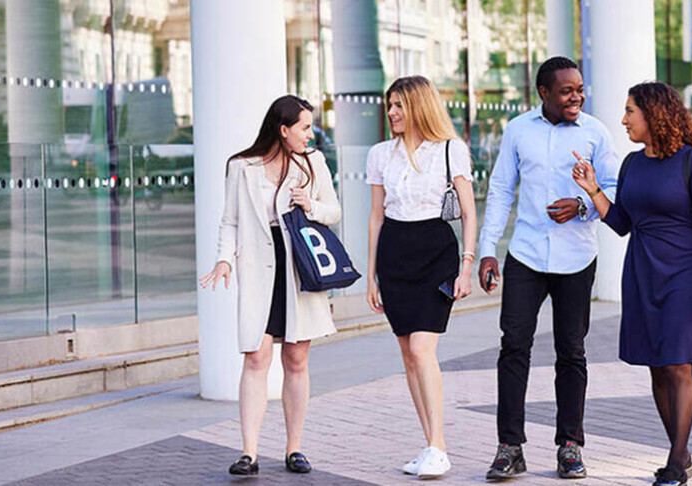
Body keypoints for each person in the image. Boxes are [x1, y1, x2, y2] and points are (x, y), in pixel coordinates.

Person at [572, 81, 692, 486]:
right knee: (657, 367)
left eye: (630, 111)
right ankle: (681, 453)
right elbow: (622, 223)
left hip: (685, 275)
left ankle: (675, 461)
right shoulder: (632, 164)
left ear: (654, 114)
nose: (624, 120)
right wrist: (593, 190)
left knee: (678, 364)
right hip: (642, 272)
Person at [476, 56, 620, 480]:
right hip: (526, 255)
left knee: (571, 351)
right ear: (544, 93)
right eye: (566, 91)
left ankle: (570, 446)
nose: (576, 97)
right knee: (513, 347)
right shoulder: (518, 130)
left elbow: (614, 187)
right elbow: (501, 189)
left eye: (580, 90)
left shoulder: (595, 132)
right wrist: (487, 250)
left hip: (577, 257)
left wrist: (581, 205)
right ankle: (510, 447)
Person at [199, 95, 340, 478]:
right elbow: (230, 220)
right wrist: (224, 259)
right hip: (259, 268)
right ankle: (249, 452)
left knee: (296, 359)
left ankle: (294, 448)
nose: (310, 135)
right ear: (283, 129)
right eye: (304, 127)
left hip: (299, 267)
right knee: (256, 356)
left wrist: (310, 204)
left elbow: (334, 211)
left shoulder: (313, 163)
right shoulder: (241, 167)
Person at [365, 76, 478, 479]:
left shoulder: (450, 149)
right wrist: (370, 277)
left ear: (419, 106)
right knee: (408, 354)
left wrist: (466, 266)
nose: (392, 112)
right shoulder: (380, 154)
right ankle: (430, 443)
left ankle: (438, 446)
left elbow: (468, 211)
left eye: (399, 105)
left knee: (421, 348)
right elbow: (376, 216)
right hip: (394, 254)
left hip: (435, 252)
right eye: (390, 105)